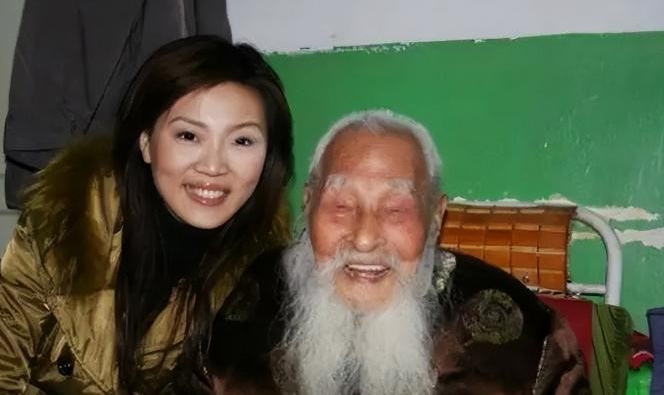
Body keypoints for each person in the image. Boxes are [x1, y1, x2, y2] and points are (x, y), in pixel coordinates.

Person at [209, 110, 587, 394]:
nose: (364, 239)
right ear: (308, 205)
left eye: (395, 209)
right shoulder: (254, 296)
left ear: (435, 216)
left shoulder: (525, 333)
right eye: (341, 205)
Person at [0, 35, 293, 394]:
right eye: (189, 136)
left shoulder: (261, 270)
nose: (213, 166)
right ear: (145, 142)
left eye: (242, 141)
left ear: (268, 157)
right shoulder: (67, 220)